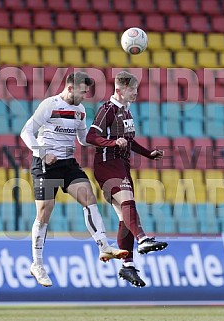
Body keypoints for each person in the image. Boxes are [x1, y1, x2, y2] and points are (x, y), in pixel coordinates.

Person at [20, 71, 128, 287]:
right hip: (45, 164)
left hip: (67, 164)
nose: (85, 95)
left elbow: (83, 139)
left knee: (89, 198)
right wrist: (42, 152)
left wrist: (108, 142)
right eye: (83, 91)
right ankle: (37, 264)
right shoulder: (49, 105)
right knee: (44, 211)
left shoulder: (79, 110)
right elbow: (26, 132)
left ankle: (103, 246)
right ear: (70, 88)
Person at [86, 70, 168, 287]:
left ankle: (127, 266)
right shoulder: (108, 109)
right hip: (106, 165)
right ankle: (142, 240)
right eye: (132, 90)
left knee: (125, 217)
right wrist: (112, 143)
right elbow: (91, 137)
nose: (136, 93)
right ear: (119, 90)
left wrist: (148, 153)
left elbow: (128, 141)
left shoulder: (126, 112)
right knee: (128, 203)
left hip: (122, 166)